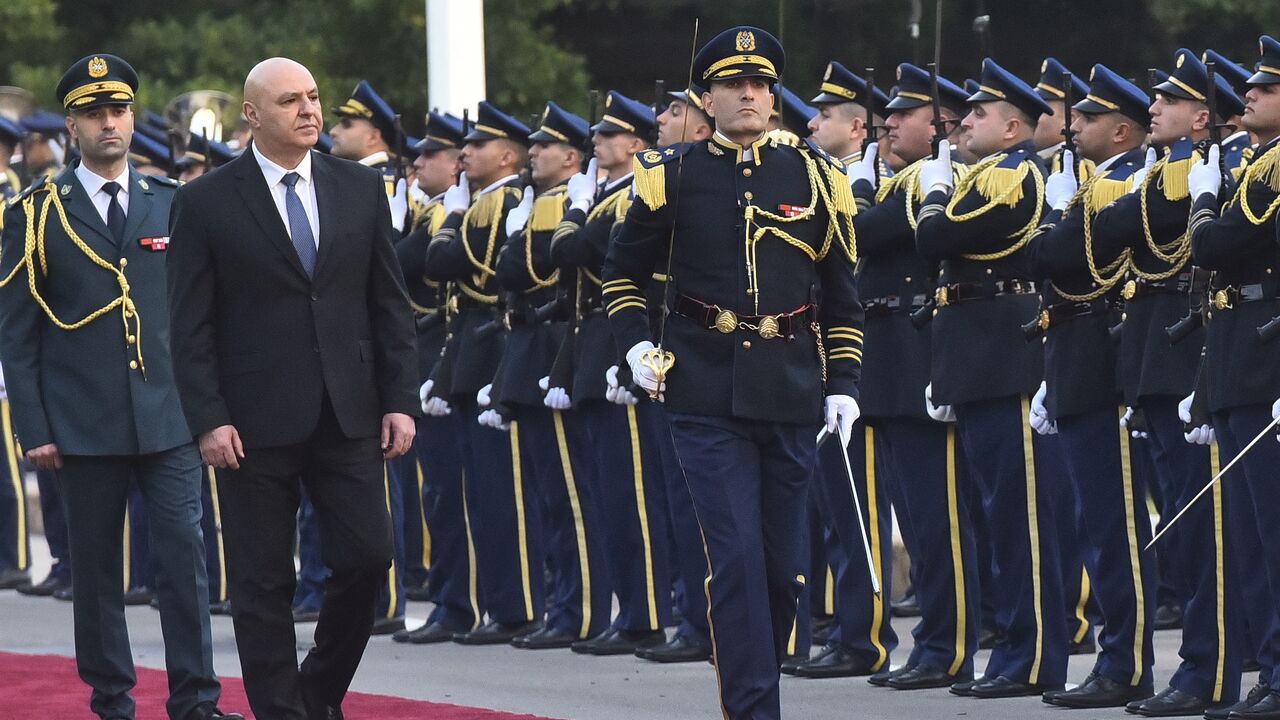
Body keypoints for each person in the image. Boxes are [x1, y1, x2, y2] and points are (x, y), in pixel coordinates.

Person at [603, 25, 863, 720]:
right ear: (707, 98)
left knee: (784, 573)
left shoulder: (818, 176)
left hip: (790, 387)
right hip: (704, 387)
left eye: (759, 85)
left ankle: (756, 677)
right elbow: (621, 277)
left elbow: (842, 297)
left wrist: (844, 384)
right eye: (731, 85)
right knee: (739, 560)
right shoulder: (671, 172)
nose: (748, 94)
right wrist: (631, 347)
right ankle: (755, 710)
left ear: (774, 97)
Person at [166, 56, 419, 720]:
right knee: (262, 582)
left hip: (350, 411)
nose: (309, 110)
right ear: (252, 115)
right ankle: (282, 711)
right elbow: (188, 326)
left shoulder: (358, 189)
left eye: (312, 98)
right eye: (289, 101)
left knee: (368, 559)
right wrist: (208, 419)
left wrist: (400, 398)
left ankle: (315, 695)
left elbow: (388, 305)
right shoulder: (205, 200)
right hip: (250, 424)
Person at [0, 53, 239, 720]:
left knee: (184, 563)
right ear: (72, 127)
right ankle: (113, 701)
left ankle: (196, 700)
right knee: (99, 574)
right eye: (95, 113)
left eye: (120, 110)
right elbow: (16, 334)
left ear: (133, 118)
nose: (111, 123)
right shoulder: (38, 212)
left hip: (170, 418)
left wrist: (214, 409)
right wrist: (35, 428)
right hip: (83, 422)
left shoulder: (175, 203)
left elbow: (206, 318)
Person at [914, 58, 1071, 699]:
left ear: (1013, 129)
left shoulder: (1012, 174)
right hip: (976, 355)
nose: (964, 120)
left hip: (1005, 354)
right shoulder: (980, 174)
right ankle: (1013, 647)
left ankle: (1032, 656)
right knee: (993, 514)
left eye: (978, 113)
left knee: (1020, 517)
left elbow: (935, 237)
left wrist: (930, 197)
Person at [842, 62, 982, 691]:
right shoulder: (900, 178)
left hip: (916, 352)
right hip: (886, 358)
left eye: (904, 114)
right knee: (915, 515)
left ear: (941, 127)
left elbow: (860, 234)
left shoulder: (933, 177)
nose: (888, 123)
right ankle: (932, 640)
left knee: (936, 517)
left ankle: (947, 645)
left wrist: (862, 191)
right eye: (888, 113)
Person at [1025, 64, 1157, 709]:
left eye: (1086, 120)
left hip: (1104, 355)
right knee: (1095, 521)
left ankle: (1126, 662)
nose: (1072, 128)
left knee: (1114, 522)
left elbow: (1055, 256)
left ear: (1122, 130)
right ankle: (1116, 656)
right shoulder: (1093, 180)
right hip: (1075, 350)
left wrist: (1054, 227)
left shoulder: (1127, 179)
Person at [1195, 34, 1280, 720]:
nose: (1248, 94)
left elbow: (1221, 243)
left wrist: (1201, 203)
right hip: (1235, 356)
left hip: (1264, 361)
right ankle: (1270, 672)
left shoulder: (1273, 168)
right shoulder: (1253, 162)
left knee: (1273, 533)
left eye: (1266, 88)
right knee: (1250, 537)